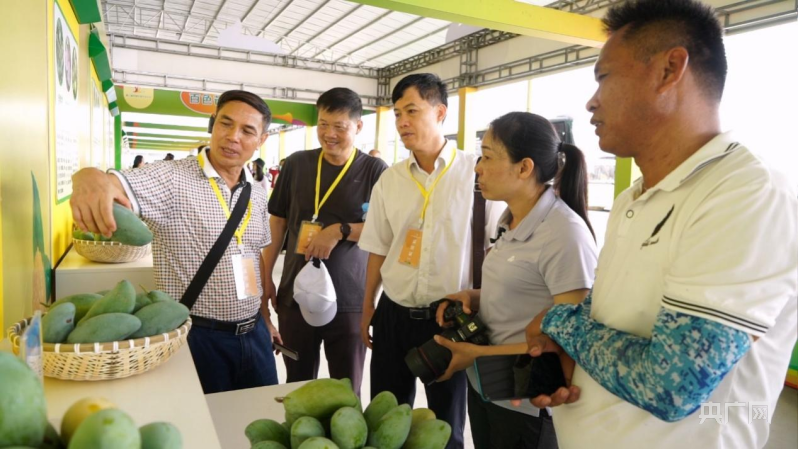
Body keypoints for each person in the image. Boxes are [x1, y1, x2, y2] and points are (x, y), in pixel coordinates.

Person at [523, 1, 798, 448]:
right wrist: (573, 348)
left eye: (604, 77)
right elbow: (625, 319)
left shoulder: (746, 194)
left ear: (670, 69)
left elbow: (670, 385)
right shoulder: (639, 197)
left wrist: (560, 321)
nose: (592, 101)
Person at [70, 90, 282, 394]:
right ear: (213, 125)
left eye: (247, 130)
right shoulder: (172, 179)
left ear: (261, 140)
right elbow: (112, 183)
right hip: (196, 336)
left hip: (255, 334)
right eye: (226, 123)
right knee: (204, 429)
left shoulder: (257, 191)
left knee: (260, 419)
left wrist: (265, 319)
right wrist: (87, 177)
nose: (233, 136)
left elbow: (251, 255)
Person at [433, 112, 598, 449]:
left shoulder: (564, 234)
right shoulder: (512, 220)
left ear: (524, 168)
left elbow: (572, 337)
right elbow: (526, 287)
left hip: (526, 404)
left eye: (488, 156)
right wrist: (473, 296)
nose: (477, 167)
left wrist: (477, 353)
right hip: (488, 389)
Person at [359, 73, 503, 449]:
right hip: (393, 314)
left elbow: (499, 249)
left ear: (440, 112)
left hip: (449, 320)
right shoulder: (389, 181)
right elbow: (378, 249)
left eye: (412, 111)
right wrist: (366, 311)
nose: (402, 122)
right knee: (385, 420)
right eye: (396, 114)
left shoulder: (477, 174)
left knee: (446, 428)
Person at [263, 88, 387, 395]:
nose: (329, 134)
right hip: (295, 295)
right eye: (323, 125)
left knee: (345, 390)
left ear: (358, 127)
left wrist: (338, 231)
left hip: (348, 300)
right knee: (298, 384)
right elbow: (277, 223)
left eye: (339, 127)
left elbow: (385, 230)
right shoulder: (296, 164)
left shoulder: (374, 171)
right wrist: (265, 276)